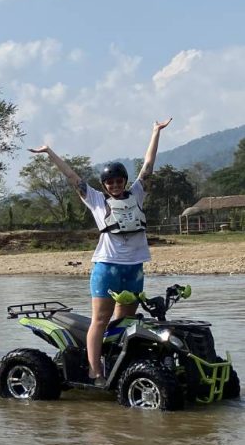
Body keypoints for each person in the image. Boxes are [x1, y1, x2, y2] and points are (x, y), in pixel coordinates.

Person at [29, 117, 172, 386]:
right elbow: (72, 177)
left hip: (134, 269)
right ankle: (95, 371)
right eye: (111, 182)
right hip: (107, 268)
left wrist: (155, 132)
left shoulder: (138, 193)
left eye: (119, 181)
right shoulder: (95, 200)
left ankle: (118, 363)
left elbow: (149, 166)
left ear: (124, 181)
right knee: (101, 319)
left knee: (125, 321)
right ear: (104, 184)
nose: (115, 185)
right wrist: (49, 152)